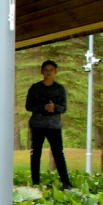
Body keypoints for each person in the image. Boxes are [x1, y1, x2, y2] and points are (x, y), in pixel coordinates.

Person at [26, 60, 72, 188]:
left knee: (58, 153)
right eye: (46, 70)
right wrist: (43, 107)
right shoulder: (35, 88)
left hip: (54, 126)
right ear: (42, 72)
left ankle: (66, 183)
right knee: (36, 153)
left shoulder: (59, 89)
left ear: (55, 72)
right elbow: (28, 106)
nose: (48, 72)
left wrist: (54, 107)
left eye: (51, 70)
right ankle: (36, 182)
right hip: (38, 125)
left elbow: (64, 108)